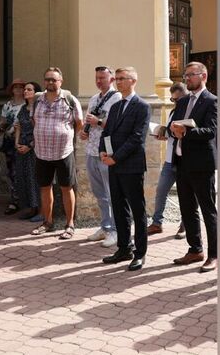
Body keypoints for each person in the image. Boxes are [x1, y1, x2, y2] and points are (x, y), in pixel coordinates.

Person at [99, 67, 151, 271]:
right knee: (119, 209)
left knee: (137, 210)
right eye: (116, 79)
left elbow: (137, 138)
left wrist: (116, 158)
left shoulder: (142, 106)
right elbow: (107, 133)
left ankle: (140, 253)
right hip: (114, 165)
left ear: (133, 81)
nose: (118, 82)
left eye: (122, 79)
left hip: (131, 166)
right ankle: (124, 248)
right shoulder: (115, 106)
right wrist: (103, 152)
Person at [169, 62, 219, 272]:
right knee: (187, 209)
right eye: (186, 75)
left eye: (192, 75)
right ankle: (195, 249)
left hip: (201, 164)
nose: (187, 78)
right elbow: (175, 127)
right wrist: (171, 131)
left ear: (204, 76)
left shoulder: (212, 101)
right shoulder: (182, 102)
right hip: (182, 163)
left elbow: (211, 131)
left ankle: (214, 255)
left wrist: (186, 132)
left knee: (208, 210)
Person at [30, 67, 83, 239]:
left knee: (66, 188)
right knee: (45, 188)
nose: (50, 82)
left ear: (61, 81)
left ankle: (70, 224)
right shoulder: (37, 100)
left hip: (64, 152)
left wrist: (67, 136)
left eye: (54, 79)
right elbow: (33, 121)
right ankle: (48, 222)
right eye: (47, 79)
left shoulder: (70, 99)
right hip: (42, 153)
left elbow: (79, 123)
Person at [78, 66, 121, 248]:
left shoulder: (117, 98)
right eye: (97, 78)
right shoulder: (95, 98)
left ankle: (116, 231)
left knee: (112, 193)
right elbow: (89, 122)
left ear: (111, 79)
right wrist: (84, 132)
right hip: (91, 150)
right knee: (100, 193)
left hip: (106, 152)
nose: (98, 81)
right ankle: (105, 226)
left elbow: (116, 125)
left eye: (102, 78)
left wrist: (98, 122)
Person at [148, 82, 189, 238]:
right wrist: (162, 134)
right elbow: (171, 134)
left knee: (185, 195)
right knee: (161, 191)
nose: (175, 103)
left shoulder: (191, 113)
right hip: (170, 160)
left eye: (177, 99)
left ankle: (184, 225)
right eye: (172, 100)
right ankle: (157, 223)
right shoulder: (173, 112)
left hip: (185, 161)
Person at [14, 82, 42, 221]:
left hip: (34, 147)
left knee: (34, 178)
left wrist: (30, 146)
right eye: (25, 89)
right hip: (22, 145)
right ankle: (31, 208)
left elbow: (40, 130)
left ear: (36, 92)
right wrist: (17, 143)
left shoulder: (39, 109)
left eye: (29, 89)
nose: (25, 91)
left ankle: (40, 209)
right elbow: (18, 126)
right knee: (23, 177)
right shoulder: (23, 109)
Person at [0, 79, 26, 215]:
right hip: (9, 141)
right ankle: (14, 200)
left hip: (23, 140)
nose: (19, 90)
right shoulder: (7, 105)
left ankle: (24, 198)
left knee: (22, 170)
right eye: (16, 87)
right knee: (11, 171)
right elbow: (3, 122)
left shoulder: (27, 105)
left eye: (22, 87)